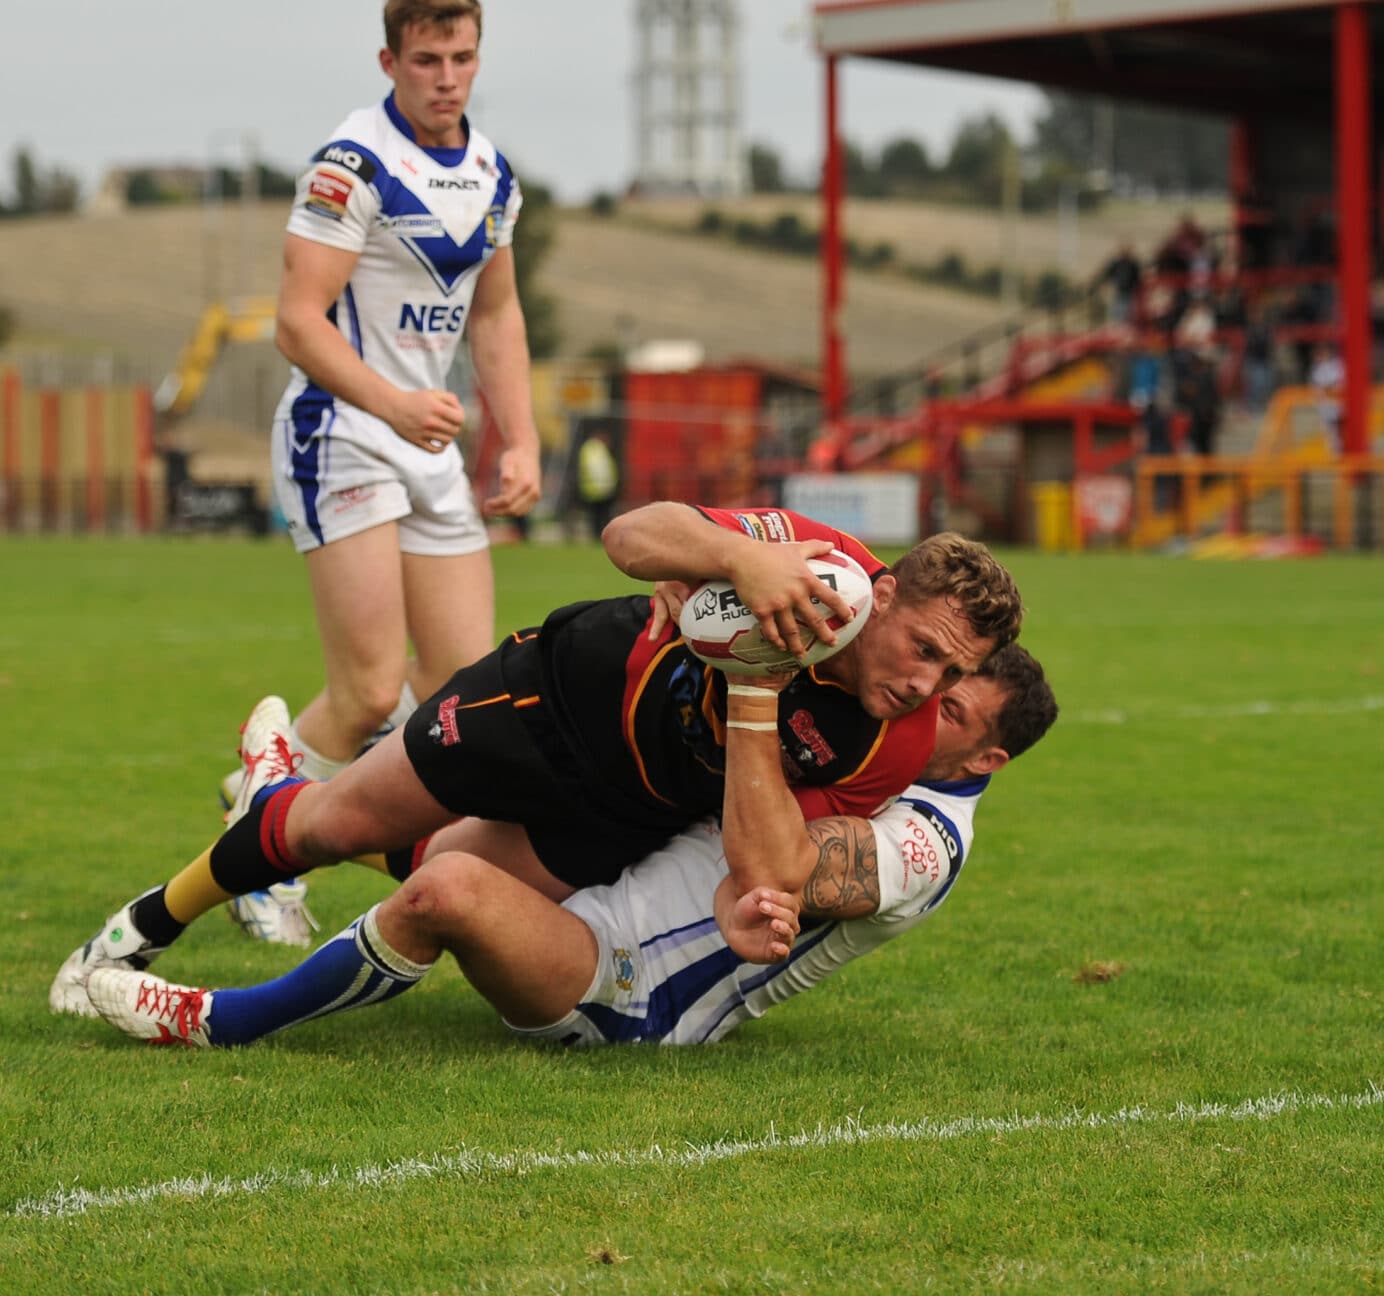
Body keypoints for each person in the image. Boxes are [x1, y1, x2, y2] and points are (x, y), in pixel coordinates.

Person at [50, 503, 1024, 1015]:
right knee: (331, 826)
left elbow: (770, 858)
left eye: (956, 673)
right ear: (883, 591)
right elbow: (630, 536)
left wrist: (749, 891)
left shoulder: (895, 742)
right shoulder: (814, 567)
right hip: (546, 695)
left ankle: (273, 784)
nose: (926, 684)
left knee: (444, 876)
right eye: (924, 647)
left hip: (620, 810)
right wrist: (734, 559)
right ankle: (142, 926)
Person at [83, 645, 1059, 1049]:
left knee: (448, 888)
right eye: (933, 681)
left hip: (629, 985)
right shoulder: (879, 736)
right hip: (597, 873)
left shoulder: (928, 842)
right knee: (454, 809)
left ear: (993, 754)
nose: (926, 707)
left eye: (954, 708)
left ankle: (218, 1019)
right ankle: (286, 800)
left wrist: (759, 693)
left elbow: (788, 869)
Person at [226, 0, 543, 939]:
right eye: (428, 59)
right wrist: (394, 403)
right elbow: (297, 321)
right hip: (343, 432)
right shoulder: (351, 163)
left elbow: (496, 317)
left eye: (463, 57)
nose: (447, 76)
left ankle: (269, 779)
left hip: (431, 449)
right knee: (369, 690)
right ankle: (263, 849)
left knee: (459, 694)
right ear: (390, 60)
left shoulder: (493, 174)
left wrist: (520, 439)